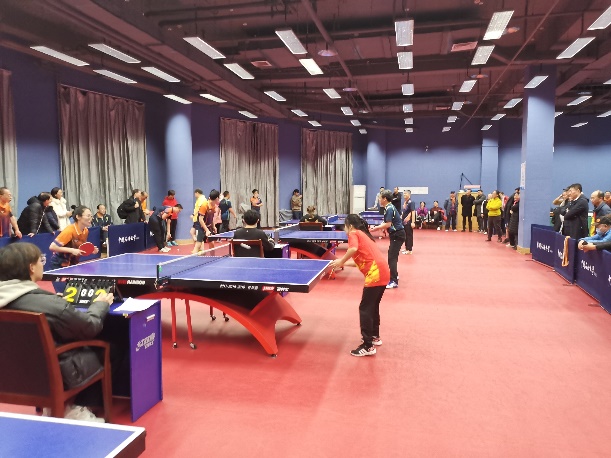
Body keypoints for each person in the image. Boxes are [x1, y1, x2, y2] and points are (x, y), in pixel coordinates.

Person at [0, 242, 114, 423]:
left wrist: (52, 301)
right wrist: (100, 304)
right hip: (50, 375)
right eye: (40, 260)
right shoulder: (51, 305)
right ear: (31, 268)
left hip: (8, 375)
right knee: (110, 345)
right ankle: (76, 408)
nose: (42, 264)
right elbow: (90, 326)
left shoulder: (41, 301)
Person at [329, 214, 390, 357]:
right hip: (383, 272)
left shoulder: (353, 233)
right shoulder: (364, 235)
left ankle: (368, 346)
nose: (344, 230)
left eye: (345, 226)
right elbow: (359, 261)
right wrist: (341, 263)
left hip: (375, 274)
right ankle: (374, 337)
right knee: (372, 306)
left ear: (349, 226)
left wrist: (341, 260)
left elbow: (352, 249)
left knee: (365, 308)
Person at [370, 190, 404, 289]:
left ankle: (394, 281)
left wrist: (375, 228)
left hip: (397, 234)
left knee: (391, 258)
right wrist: (377, 227)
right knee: (393, 257)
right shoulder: (389, 207)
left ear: (384, 199)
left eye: (380, 198)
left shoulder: (389, 208)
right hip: (397, 234)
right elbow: (386, 222)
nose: (379, 200)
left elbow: (388, 224)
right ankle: (395, 275)